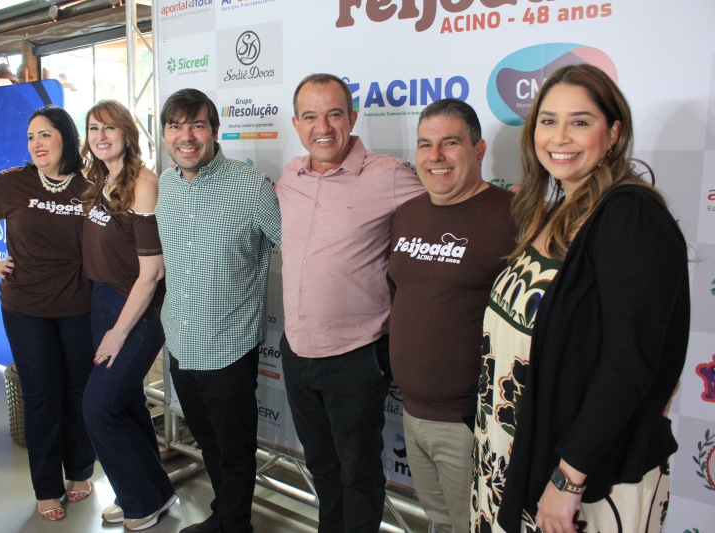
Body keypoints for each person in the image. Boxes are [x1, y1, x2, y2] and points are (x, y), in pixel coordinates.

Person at [470, 64, 689, 533]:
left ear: (614, 133)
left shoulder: (631, 217)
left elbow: (628, 367)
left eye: (580, 121)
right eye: (548, 120)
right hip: (511, 453)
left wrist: (567, 479)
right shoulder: (555, 212)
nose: (559, 136)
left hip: (580, 478)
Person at [276, 73, 424, 533]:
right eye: (310, 116)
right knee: (322, 466)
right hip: (297, 351)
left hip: (356, 357)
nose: (322, 127)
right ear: (296, 124)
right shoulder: (290, 175)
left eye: (334, 114)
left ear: (352, 118)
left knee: (358, 473)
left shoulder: (390, 175)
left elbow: (449, 206)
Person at [155, 88, 282, 533]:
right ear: (165, 134)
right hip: (180, 343)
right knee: (208, 443)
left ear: (215, 131)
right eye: (175, 126)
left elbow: (298, 251)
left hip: (229, 348)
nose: (186, 136)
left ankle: (235, 526)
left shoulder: (252, 187)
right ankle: (224, 517)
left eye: (197, 125)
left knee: (234, 450)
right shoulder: (165, 185)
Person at [388, 98, 516, 532]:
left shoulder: (515, 217)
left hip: (470, 420)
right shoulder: (407, 214)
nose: (435, 156)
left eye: (450, 143)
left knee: (472, 525)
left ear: (479, 150)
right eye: (425, 144)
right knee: (440, 522)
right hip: (412, 413)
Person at [0, 105, 95, 521]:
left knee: (79, 390)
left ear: (66, 138)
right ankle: (46, 488)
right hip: (25, 307)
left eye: (45, 134)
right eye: (30, 136)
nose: (36, 144)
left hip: (78, 305)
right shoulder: (12, 182)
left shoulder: (91, 183)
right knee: (41, 395)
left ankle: (80, 471)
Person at [79, 100, 177, 531]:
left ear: (127, 133)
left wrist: (120, 332)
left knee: (98, 407)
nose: (101, 136)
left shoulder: (143, 183)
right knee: (127, 402)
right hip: (103, 299)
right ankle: (150, 490)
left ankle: (143, 500)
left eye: (109, 128)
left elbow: (152, 272)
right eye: (93, 128)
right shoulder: (99, 179)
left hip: (138, 309)